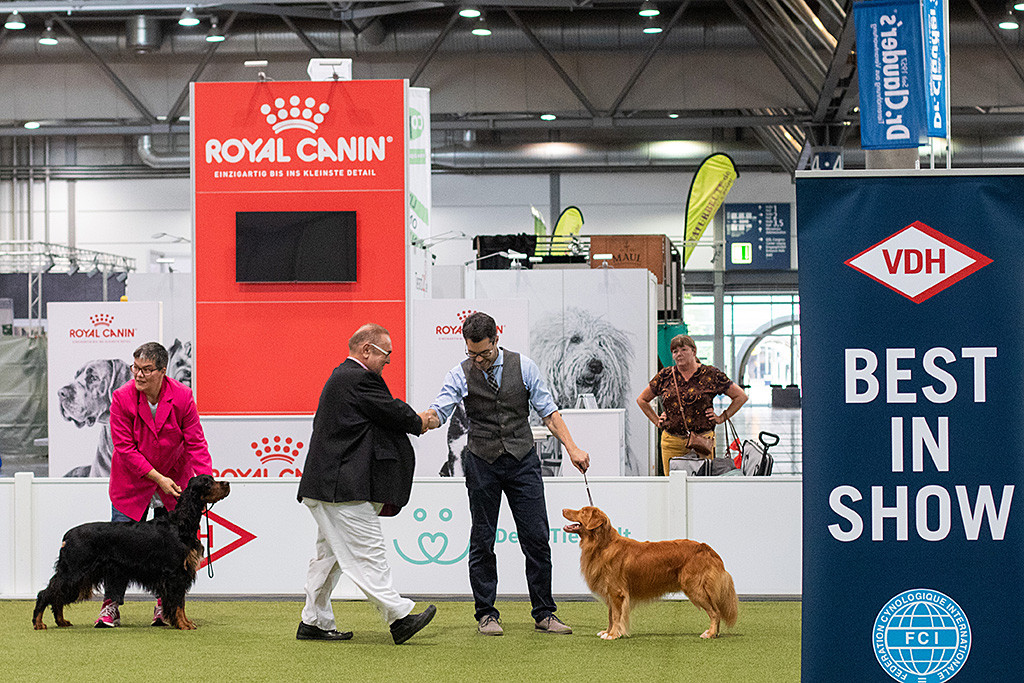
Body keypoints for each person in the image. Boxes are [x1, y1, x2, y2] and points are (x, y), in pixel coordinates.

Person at [425, 311, 590, 636]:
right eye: (472, 354)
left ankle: (544, 613)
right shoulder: (459, 373)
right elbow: (439, 411)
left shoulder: (524, 366)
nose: (479, 360)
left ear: (496, 341)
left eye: (484, 353)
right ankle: (486, 614)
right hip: (481, 461)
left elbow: (549, 412)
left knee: (537, 538)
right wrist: (422, 419)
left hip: (522, 460)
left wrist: (573, 448)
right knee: (482, 540)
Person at [296, 323, 438, 644]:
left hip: (329, 485)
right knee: (368, 552)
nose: (388, 361)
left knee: (328, 558)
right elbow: (392, 412)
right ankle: (399, 617)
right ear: (367, 350)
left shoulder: (344, 378)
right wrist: (421, 420)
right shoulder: (359, 378)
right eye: (385, 354)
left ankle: (313, 621)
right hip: (342, 488)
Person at [101, 341, 213, 628]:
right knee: (117, 549)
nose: (138, 375)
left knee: (171, 553)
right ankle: (111, 605)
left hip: (173, 483)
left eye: (146, 370)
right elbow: (124, 449)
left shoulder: (183, 397)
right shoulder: (121, 398)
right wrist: (157, 478)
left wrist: (203, 483)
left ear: (163, 371)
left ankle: (165, 606)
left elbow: (197, 444)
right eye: (135, 368)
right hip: (132, 484)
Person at [636, 334, 748, 476]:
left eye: (683, 349)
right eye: (675, 351)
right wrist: (656, 420)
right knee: (673, 484)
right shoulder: (665, 376)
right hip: (672, 442)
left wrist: (722, 417)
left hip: (702, 442)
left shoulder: (711, 374)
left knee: (702, 483)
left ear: (694, 351)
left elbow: (741, 396)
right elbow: (642, 400)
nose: (679, 354)